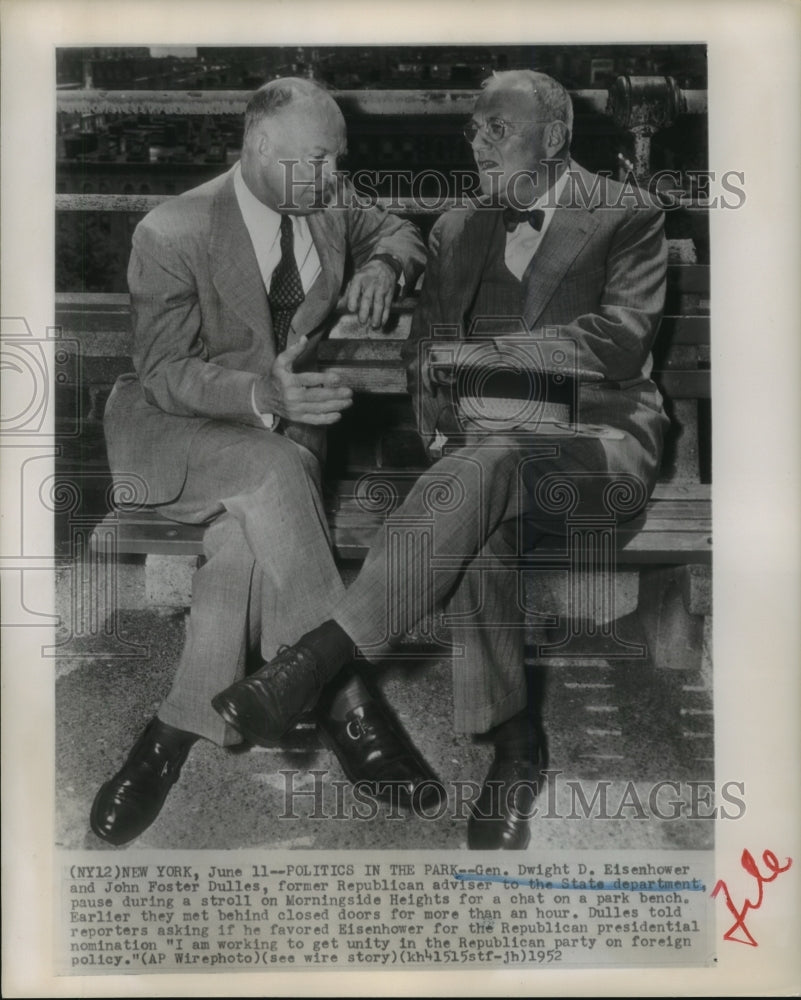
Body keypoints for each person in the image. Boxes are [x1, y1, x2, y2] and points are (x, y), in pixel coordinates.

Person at [211, 69, 670, 850]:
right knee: (480, 497)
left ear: (554, 137)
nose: (476, 141)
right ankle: (515, 746)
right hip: (483, 459)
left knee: (486, 468)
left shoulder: (624, 214)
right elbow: (426, 358)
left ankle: (315, 659)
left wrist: (481, 362)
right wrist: (445, 420)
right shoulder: (457, 229)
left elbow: (618, 342)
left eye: (498, 127)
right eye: (472, 129)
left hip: (595, 448)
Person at [90, 77, 431, 846]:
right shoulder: (173, 229)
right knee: (276, 472)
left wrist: (382, 267)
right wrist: (258, 391)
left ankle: (169, 739)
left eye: (338, 160)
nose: (333, 177)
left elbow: (402, 230)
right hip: (174, 430)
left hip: (275, 440)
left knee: (245, 539)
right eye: (316, 159)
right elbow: (165, 372)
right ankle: (346, 695)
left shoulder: (329, 203)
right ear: (257, 149)